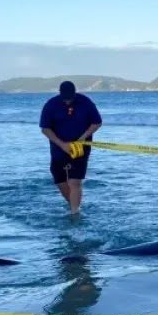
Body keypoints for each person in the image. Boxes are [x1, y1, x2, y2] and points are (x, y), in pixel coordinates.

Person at [40, 81, 103, 215]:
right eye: (65, 99)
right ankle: (73, 204)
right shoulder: (51, 105)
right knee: (60, 181)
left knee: (75, 181)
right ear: (60, 94)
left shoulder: (86, 102)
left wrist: (83, 137)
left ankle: (75, 213)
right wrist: (62, 144)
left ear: (75, 93)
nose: (68, 102)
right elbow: (45, 129)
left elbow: (97, 122)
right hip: (58, 147)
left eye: (70, 98)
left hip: (81, 147)